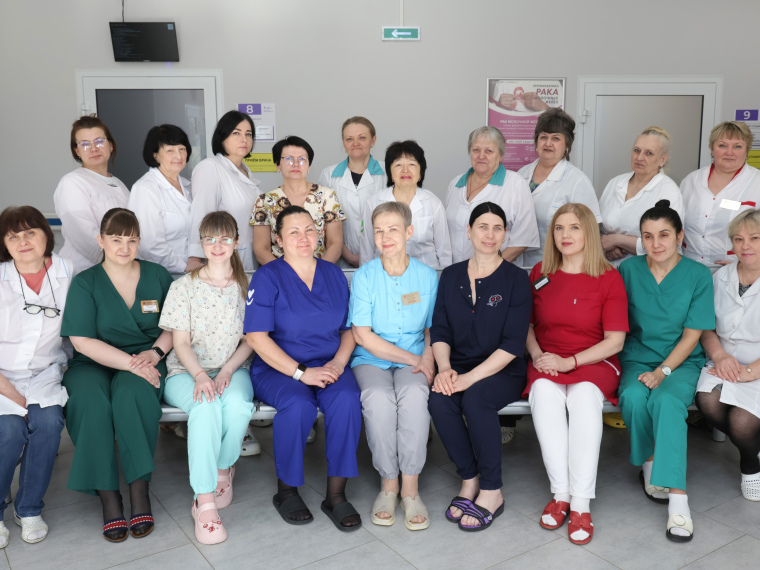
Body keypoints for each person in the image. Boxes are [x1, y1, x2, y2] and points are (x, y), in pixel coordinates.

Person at [245, 206, 363, 532]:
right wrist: (301, 373)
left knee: (347, 400)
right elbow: (256, 338)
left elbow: (349, 329)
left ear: (319, 234)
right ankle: (286, 491)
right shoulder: (268, 277)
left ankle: (336, 495)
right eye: (293, 232)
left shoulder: (333, 274)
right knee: (298, 404)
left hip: (329, 363)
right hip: (278, 368)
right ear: (278, 239)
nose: (303, 237)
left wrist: (338, 363)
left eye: (309, 229)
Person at [61, 208, 174, 542]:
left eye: (132, 240)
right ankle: (109, 496)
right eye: (116, 239)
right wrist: (131, 363)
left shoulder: (157, 275)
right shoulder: (86, 282)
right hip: (93, 361)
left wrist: (154, 354)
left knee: (131, 394)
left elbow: (175, 325)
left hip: (148, 358)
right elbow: (81, 341)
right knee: (89, 401)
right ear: (101, 240)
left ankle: (139, 490)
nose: (125, 247)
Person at [525, 203, 629, 545]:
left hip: (594, 361)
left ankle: (581, 503)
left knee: (583, 399)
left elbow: (615, 341)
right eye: (559, 228)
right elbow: (526, 325)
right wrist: (538, 356)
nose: (565, 235)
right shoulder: (540, 272)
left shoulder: (608, 277)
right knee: (544, 396)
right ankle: (561, 494)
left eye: (574, 228)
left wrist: (569, 362)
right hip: (547, 359)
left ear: (589, 234)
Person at [428, 202, 532, 532]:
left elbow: (513, 343)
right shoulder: (451, 275)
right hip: (457, 365)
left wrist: (469, 379)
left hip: (503, 370)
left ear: (505, 234)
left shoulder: (516, 279)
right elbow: (440, 330)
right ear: (469, 231)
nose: (490, 234)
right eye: (482, 227)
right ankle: (469, 479)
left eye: (497, 228)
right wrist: (445, 369)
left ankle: (491, 489)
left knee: (476, 399)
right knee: (439, 399)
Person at [618, 200, 715, 542]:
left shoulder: (698, 275)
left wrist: (663, 372)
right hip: (637, 357)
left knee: (666, 401)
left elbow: (693, 334)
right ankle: (649, 463)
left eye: (663, 235)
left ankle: (678, 499)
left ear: (679, 236)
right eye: (648, 236)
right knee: (632, 397)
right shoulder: (628, 270)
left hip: (681, 361)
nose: (655, 243)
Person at [160, 212, 254, 544]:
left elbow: (251, 340)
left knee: (239, 406)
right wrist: (200, 376)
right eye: (210, 239)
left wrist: (226, 370)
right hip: (185, 372)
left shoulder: (247, 287)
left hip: (233, 368)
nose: (217, 245)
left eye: (225, 238)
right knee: (206, 406)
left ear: (236, 242)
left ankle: (223, 467)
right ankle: (204, 501)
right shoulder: (183, 287)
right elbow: (180, 343)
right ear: (201, 243)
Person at [348, 202, 438, 530]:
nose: (385, 237)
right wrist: (416, 359)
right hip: (372, 357)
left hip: (416, 354)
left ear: (409, 232)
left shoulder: (427, 277)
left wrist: (428, 357)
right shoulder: (365, 276)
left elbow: (432, 329)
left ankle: (410, 488)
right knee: (377, 398)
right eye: (379, 231)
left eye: (393, 229)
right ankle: (389, 485)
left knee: (414, 396)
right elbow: (362, 334)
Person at [0, 207, 72, 547]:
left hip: (45, 371)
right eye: (13, 236)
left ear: (46, 234)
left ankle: (28, 508)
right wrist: (16, 398)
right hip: (2, 376)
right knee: (9, 430)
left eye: (30, 232)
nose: (23, 241)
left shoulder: (68, 272)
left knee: (48, 423)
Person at [696, 208, 760, 501]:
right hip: (723, 359)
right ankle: (754, 447)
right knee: (708, 401)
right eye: (739, 239)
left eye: (755, 238)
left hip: (757, 367)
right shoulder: (720, 276)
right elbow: (705, 326)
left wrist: (749, 372)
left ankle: (750, 465)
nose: (746, 246)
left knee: (741, 422)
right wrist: (719, 356)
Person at [517, 109, 601, 268]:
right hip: (517, 264)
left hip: (556, 266)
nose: (548, 143)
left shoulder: (577, 181)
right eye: (543, 137)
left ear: (567, 145)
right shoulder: (521, 174)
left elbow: (591, 231)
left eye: (556, 138)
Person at [445, 126, 539, 265]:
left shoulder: (515, 184)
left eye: (489, 151)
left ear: (500, 156)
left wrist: (489, 268)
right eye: (476, 150)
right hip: (456, 271)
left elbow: (523, 240)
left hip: (497, 272)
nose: (481, 156)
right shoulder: (455, 184)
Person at [54, 115, 129, 275]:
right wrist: (118, 264)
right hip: (87, 271)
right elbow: (84, 235)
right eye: (85, 144)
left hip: (120, 268)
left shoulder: (119, 184)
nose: (94, 148)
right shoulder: (72, 182)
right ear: (77, 151)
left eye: (99, 141)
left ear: (110, 145)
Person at [252, 136, 345, 265]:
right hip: (279, 273)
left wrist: (319, 271)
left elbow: (335, 243)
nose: (296, 163)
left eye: (302, 159)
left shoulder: (326, 196)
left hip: (319, 270)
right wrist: (284, 273)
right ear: (278, 165)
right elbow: (261, 249)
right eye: (289, 159)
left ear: (308, 166)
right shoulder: (264, 201)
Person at [681, 121, 760, 270]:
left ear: (747, 150)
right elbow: (674, 224)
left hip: (738, 271)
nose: (729, 152)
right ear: (712, 149)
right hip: (689, 268)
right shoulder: (692, 180)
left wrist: (745, 265)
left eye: (737, 146)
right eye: (722, 145)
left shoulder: (757, 182)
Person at [188, 110, 261, 272]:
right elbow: (201, 214)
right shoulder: (210, 167)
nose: (244, 139)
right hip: (220, 258)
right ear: (222, 137)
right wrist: (196, 258)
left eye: (248, 134)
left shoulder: (245, 171)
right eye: (236, 133)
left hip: (247, 256)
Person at [600, 126, 684, 266]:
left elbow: (670, 243)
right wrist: (604, 245)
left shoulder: (668, 191)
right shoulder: (615, 182)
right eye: (636, 150)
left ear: (662, 160)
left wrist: (617, 240)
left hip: (646, 270)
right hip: (606, 267)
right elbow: (597, 226)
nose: (639, 157)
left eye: (649, 153)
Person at [360, 140, 451, 269]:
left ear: (420, 173)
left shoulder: (433, 203)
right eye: (398, 165)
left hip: (426, 273)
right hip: (384, 273)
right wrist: (366, 274)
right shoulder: (374, 202)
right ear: (390, 173)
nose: (405, 170)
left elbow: (444, 251)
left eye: (412, 164)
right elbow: (367, 249)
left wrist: (445, 277)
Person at [318, 117, 386, 267]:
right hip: (340, 259)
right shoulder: (328, 175)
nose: (355, 143)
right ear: (343, 142)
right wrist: (348, 255)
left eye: (362, 138)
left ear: (373, 140)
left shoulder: (388, 172)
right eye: (349, 139)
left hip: (382, 257)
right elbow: (324, 221)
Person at [128, 124, 193, 274]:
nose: (178, 156)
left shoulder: (188, 186)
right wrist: (184, 268)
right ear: (155, 155)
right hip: (163, 275)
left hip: (192, 272)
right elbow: (150, 245)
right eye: (170, 150)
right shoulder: (145, 188)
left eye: (182, 149)